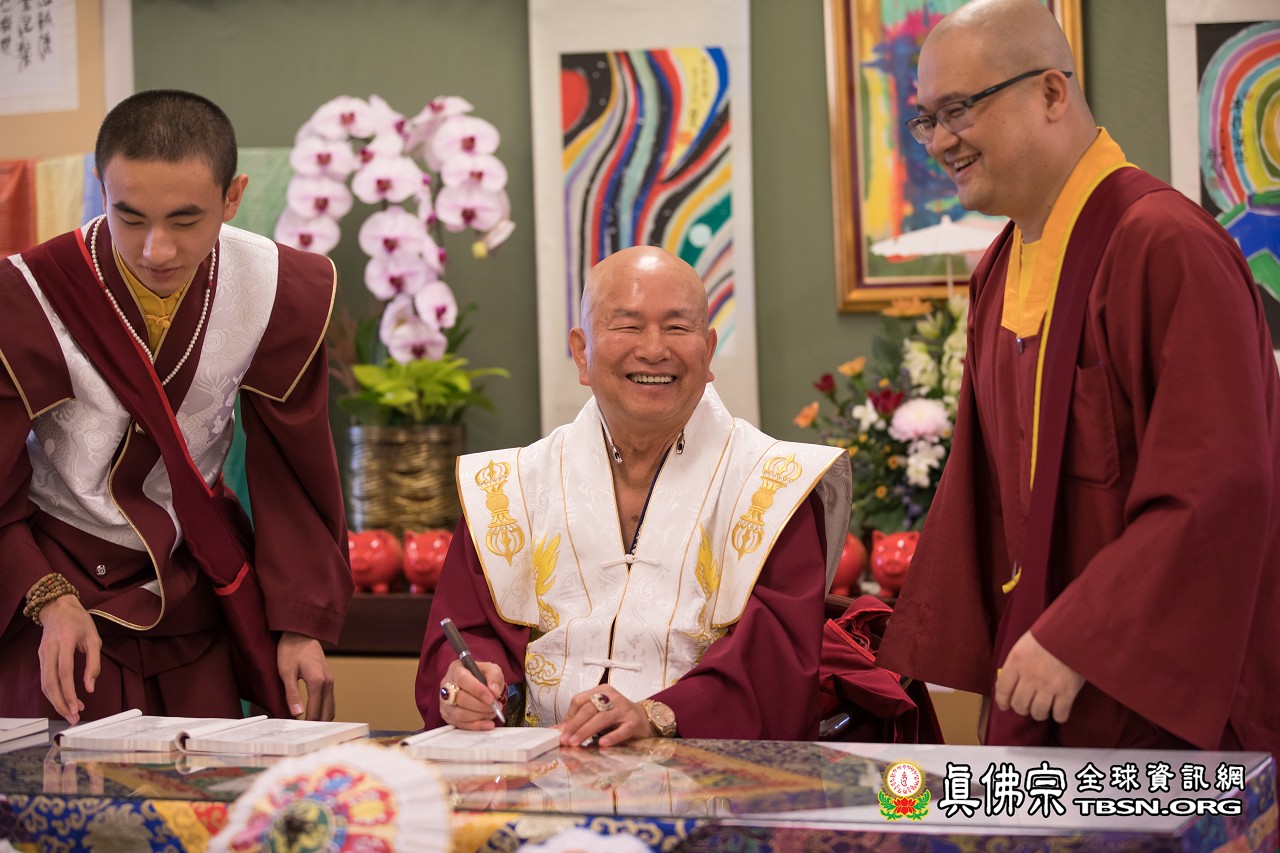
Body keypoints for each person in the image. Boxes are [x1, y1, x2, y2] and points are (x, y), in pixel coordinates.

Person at [878, 0, 1280, 758]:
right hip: (1044, 683)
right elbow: (988, 497)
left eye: (959, 110)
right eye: (926, 119)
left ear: (1052, 92)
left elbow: (1222, 482)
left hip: (1157, 699)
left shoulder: (1164, 243)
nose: (938, 141)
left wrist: (1083, 634)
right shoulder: (1002, 265)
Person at [0, 90, 353, 724]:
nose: (155, 250)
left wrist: (301, 625)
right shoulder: (26, 293)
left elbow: (293, 475)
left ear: (233, 197)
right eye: (129, 217)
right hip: (56, 596)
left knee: (210, 777)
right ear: (101, 187)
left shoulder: (277, 288)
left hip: (191, 585)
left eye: (185, 221)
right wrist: (46, 597)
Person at [416, 246, 852, 745]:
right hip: (538, 774)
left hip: (706, 776)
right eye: (628, 325)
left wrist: (658, 715)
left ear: (708, 350)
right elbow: (465, 636)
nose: (653, 349)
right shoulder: (507, 488)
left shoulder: (774, 487)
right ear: (581, 352)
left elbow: (774, 667)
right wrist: (467, 687)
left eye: (677, 327)